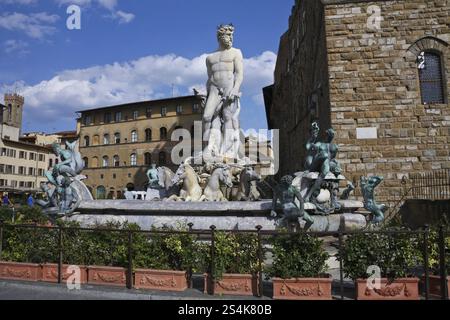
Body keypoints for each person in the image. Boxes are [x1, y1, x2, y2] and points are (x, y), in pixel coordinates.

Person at [203, 24, 244, 159]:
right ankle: (208, 148)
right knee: (207, 117)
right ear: (220, 37)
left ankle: (227, 150)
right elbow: (210, 78)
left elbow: (239, 73)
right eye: (228, 35)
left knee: (227, 116)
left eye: (232, 35)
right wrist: (205, 93)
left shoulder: (236, 52)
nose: (231, 38)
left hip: (229, 86)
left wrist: (235, 89)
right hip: (214, 88)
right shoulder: (210, 58)